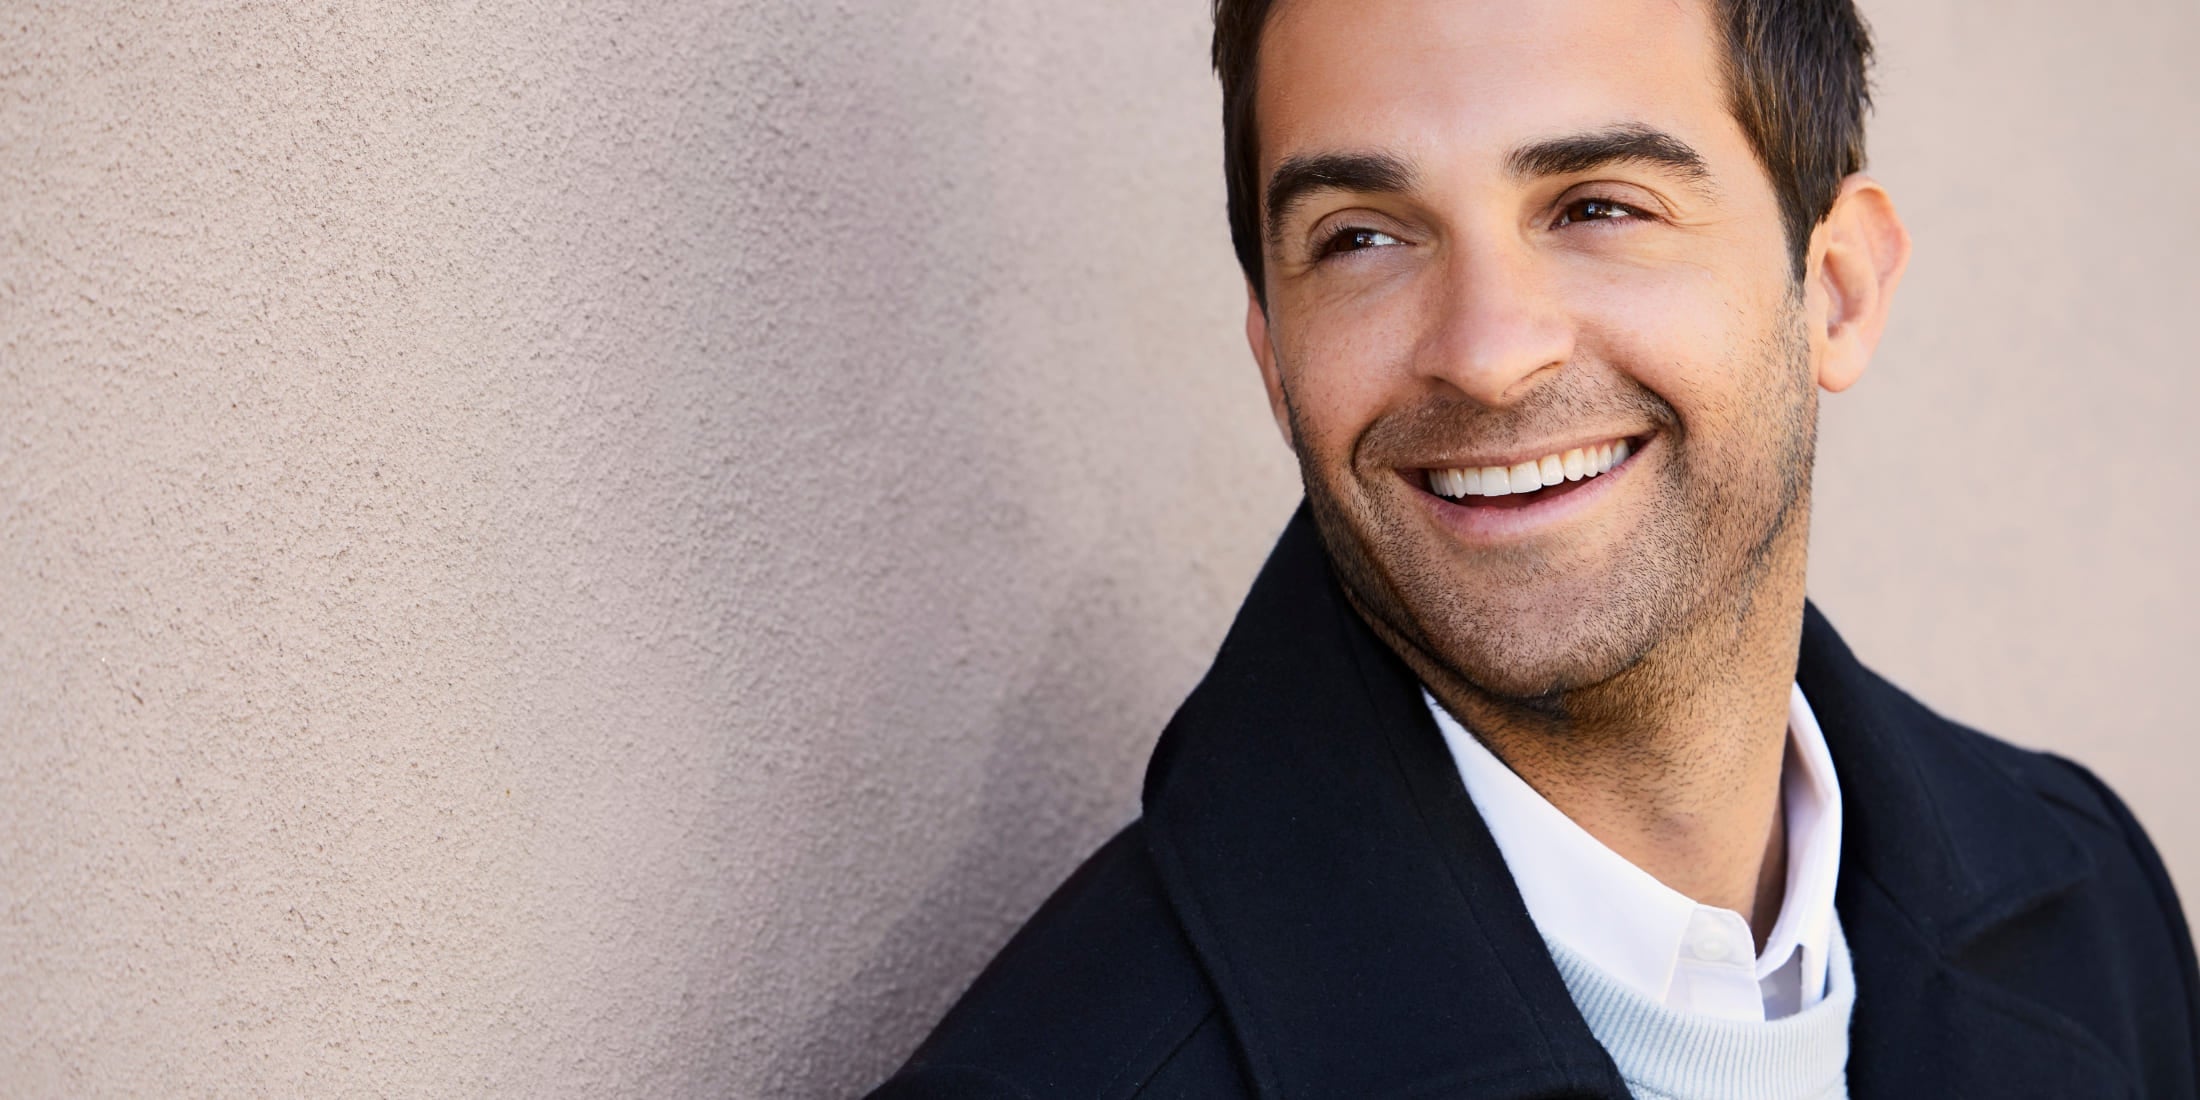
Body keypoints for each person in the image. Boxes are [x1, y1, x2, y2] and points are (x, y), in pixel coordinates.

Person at [869, 0, 2200, 1096]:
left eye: (1596, 207)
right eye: (1362, 238)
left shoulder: (2090, 911)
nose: (1489, 353)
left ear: (1837, 290)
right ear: (1275, 360)